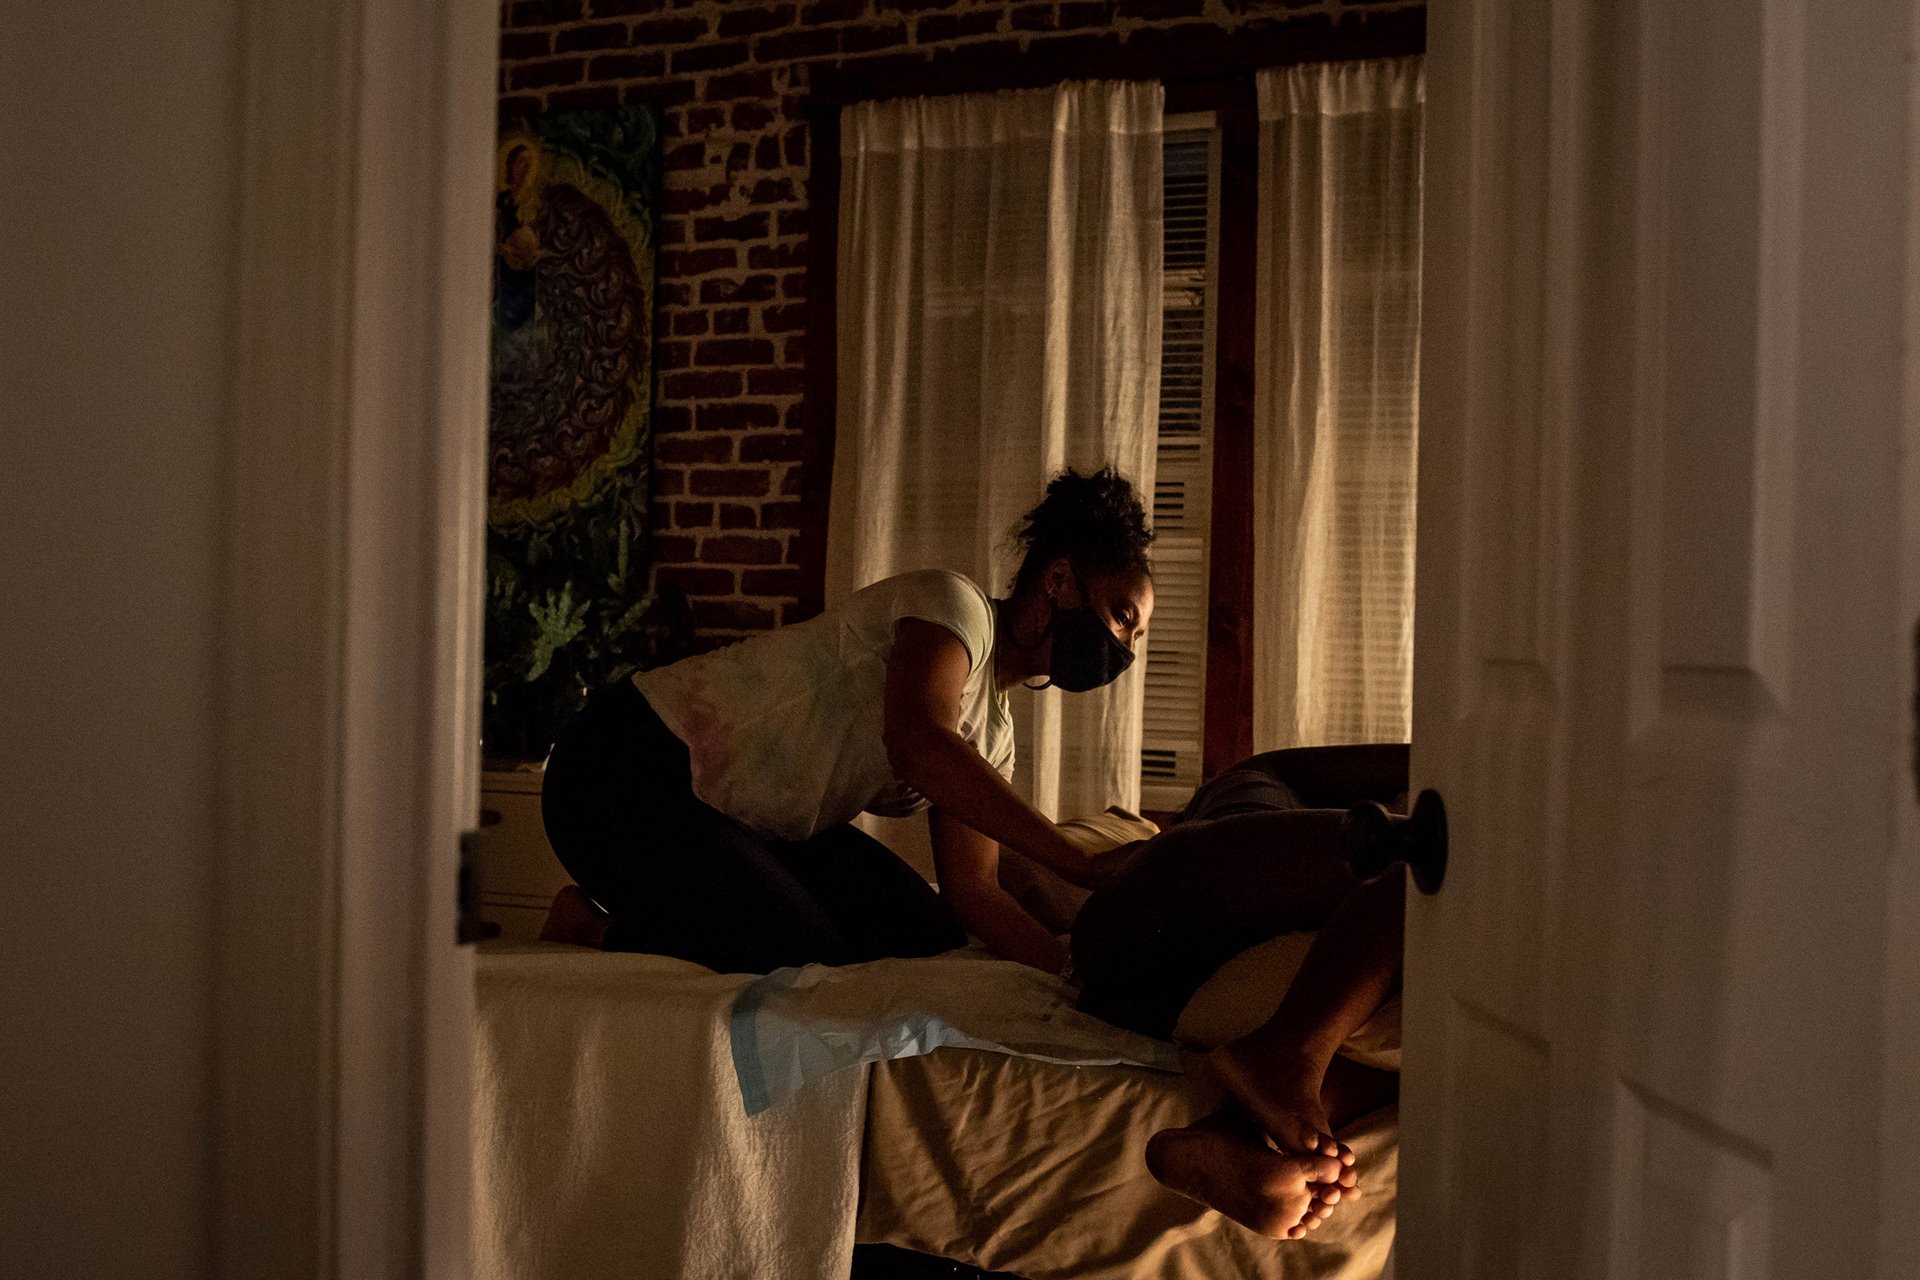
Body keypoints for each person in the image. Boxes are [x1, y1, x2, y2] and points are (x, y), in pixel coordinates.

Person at [537, 467, 1155, 976]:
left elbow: (975, 891)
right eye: (1124, 616)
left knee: (926, 938)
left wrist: (1071, 976)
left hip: (745, 819)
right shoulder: (954, 607)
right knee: (803, 958)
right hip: (627, 764)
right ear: (1059, 581)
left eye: (1139, 633)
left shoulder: (993, 735)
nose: (1127, 647)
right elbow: (916, 741)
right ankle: (588, 926)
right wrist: (1077, 861)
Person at [1061, 744, 1412, 1240]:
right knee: (1428, 855)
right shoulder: (1252, 787)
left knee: (1424, 1065)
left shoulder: (1261, 780)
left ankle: (1235, 1132)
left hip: (1145, 989)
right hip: (1161, 910)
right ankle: (1287, 1053)